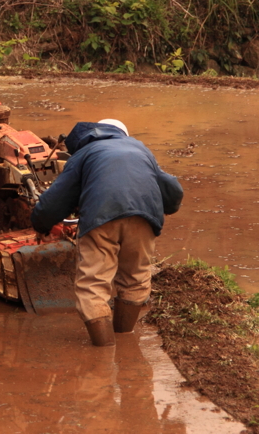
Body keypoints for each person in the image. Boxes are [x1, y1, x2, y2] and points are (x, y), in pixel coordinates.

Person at [30, 119, 183, 347]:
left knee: (93, 283)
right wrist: (165, 207)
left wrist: (41, 224)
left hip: (101, 218)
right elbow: (172, 188)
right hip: (144, 217)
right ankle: (125, 337)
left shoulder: (84, 154)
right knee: (136, 277)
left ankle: (104, 352)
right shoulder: (140, 149)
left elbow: (56, 199)